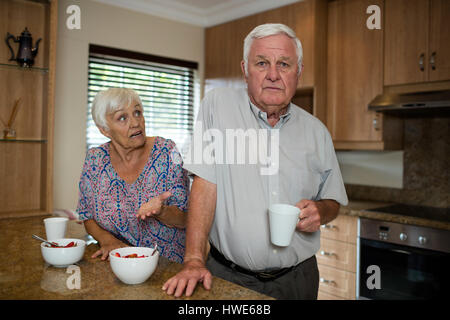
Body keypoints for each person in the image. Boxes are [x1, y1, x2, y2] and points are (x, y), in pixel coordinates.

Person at [162, 23, 348, 299]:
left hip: (298, 280)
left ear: (298, 71)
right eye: (262, 63)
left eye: (284, 64)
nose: (273, 74)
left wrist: (321, 210)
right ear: (245, 69)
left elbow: (333, 202)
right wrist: (193, 261)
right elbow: (205, 184)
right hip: (227, 276)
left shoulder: (317, 131)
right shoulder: (218, 106)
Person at [76, 87, 189, 263]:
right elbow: (87, 215)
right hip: (117, 262)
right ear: (104, 130)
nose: (136, 123)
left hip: (167, 266)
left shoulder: (167, 151)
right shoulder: (95, 159)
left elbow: (186, 219)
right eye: (122, 117)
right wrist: (109, 242)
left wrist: (162, 211)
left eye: (137, 112)